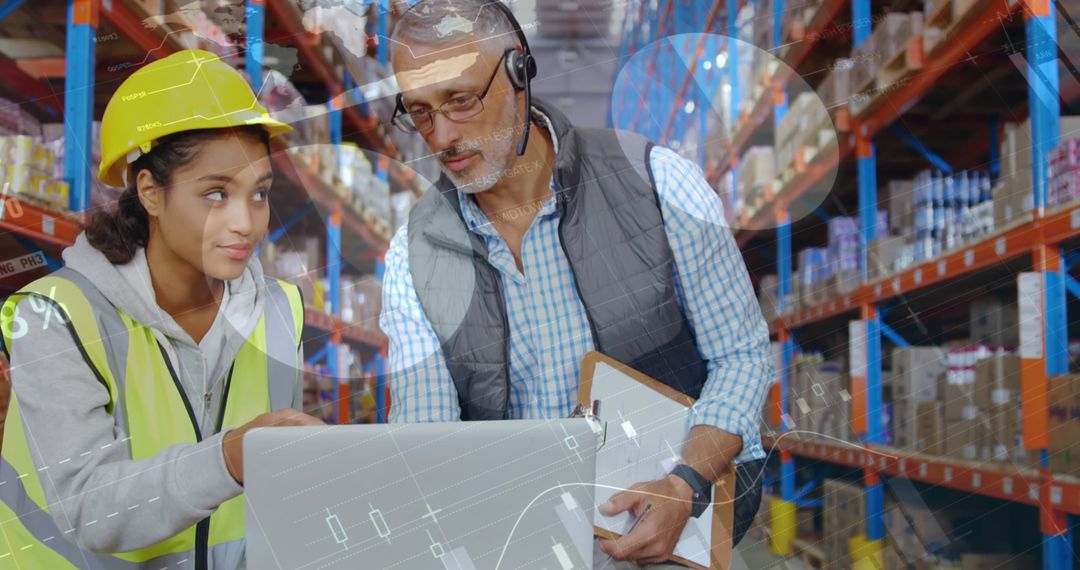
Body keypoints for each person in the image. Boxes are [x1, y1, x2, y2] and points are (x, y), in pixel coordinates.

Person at [379, 0, 773, 567]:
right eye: (419, 112)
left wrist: (684, 484)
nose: (442, 136)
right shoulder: (413, 255)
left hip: (667, 529)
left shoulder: (656, 183)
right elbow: (427, 437)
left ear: (520, 72)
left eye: (460, 100)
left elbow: (741, 355)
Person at [0, 49, 324, 569]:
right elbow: (84, 506)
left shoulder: (280, 310)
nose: (246, 222)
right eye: (216, 193)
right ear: (151, 192)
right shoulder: (56, 315)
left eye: (259, 194)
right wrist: (229, 457)